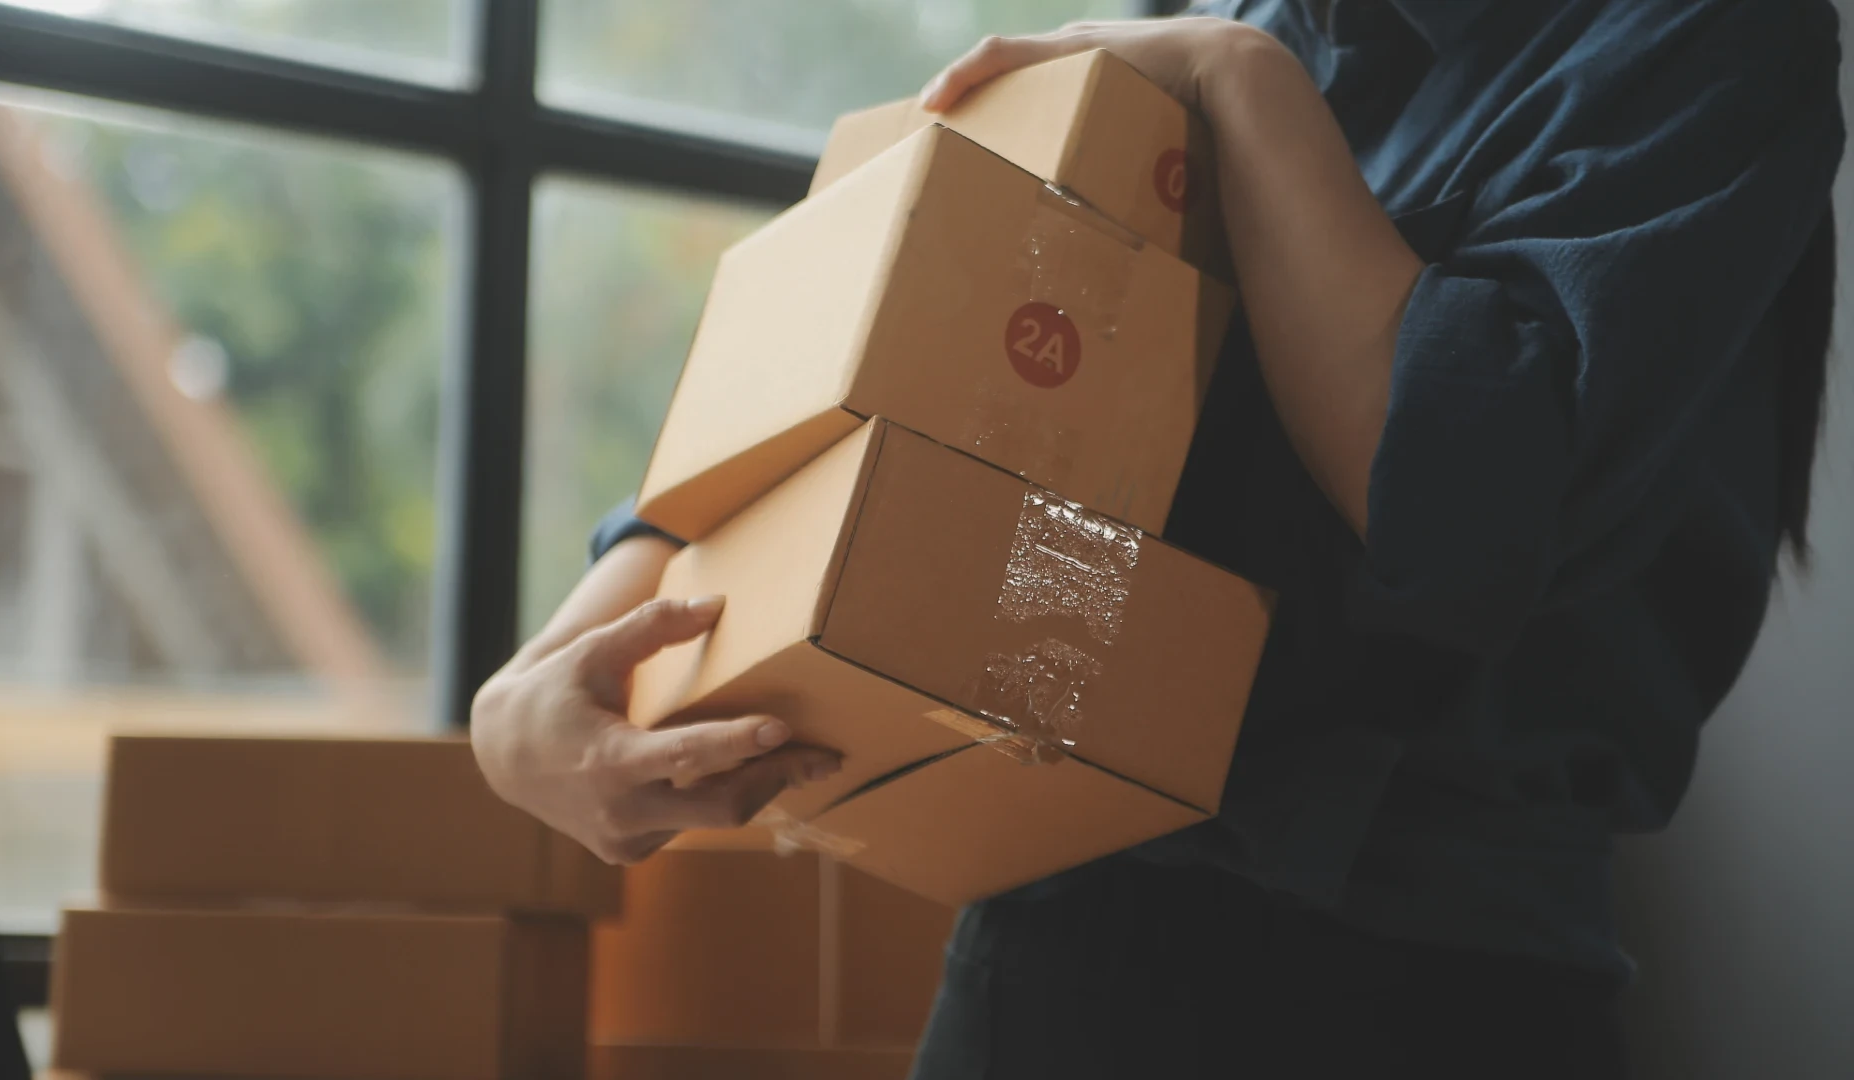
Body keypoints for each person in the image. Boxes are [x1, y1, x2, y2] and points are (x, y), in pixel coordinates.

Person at [471, 0, 1843, 1075]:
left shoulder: (1701, 39)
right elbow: (878, 374)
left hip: (1429, 984)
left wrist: (1245, 85)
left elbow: (1452, 507)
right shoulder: (1241, 25)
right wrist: (538, 689)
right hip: (1050, 947)